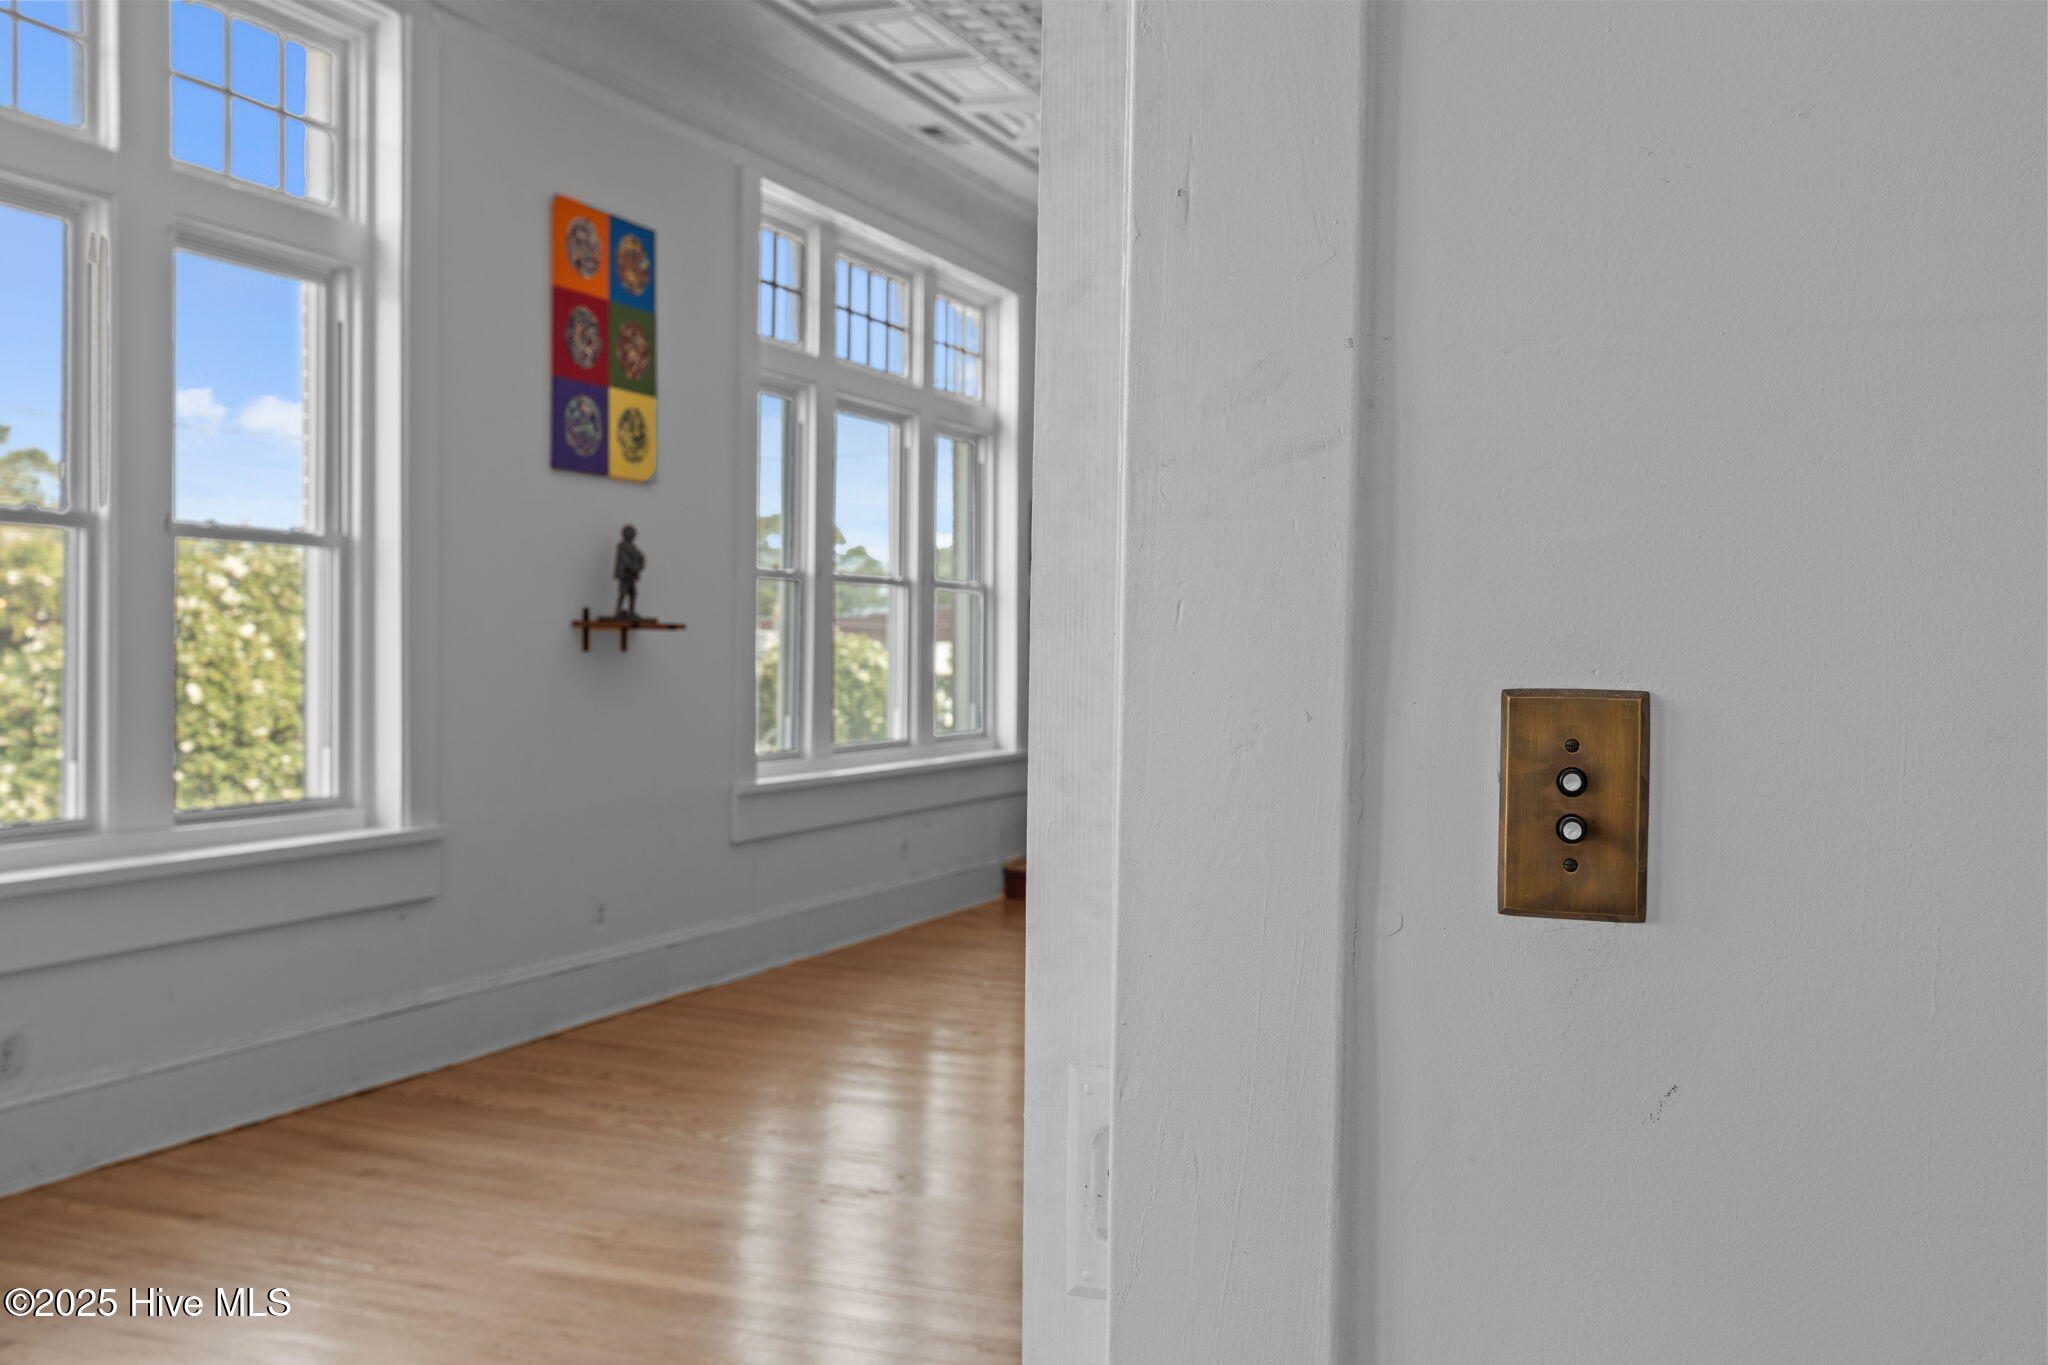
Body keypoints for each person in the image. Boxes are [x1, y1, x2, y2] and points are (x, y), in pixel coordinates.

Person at [613, 525, 645, 621]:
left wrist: (638, 566)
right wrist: (633, 567)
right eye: (630, 533)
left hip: (631, 575)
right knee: (623, 593)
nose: (632, 535)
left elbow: (641, 557)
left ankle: (631, 611)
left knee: (633, 593)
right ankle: (618, 611)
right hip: (625, 575)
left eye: (633, 533)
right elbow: (625, 560)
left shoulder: (633, 547)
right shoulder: (622, 546)